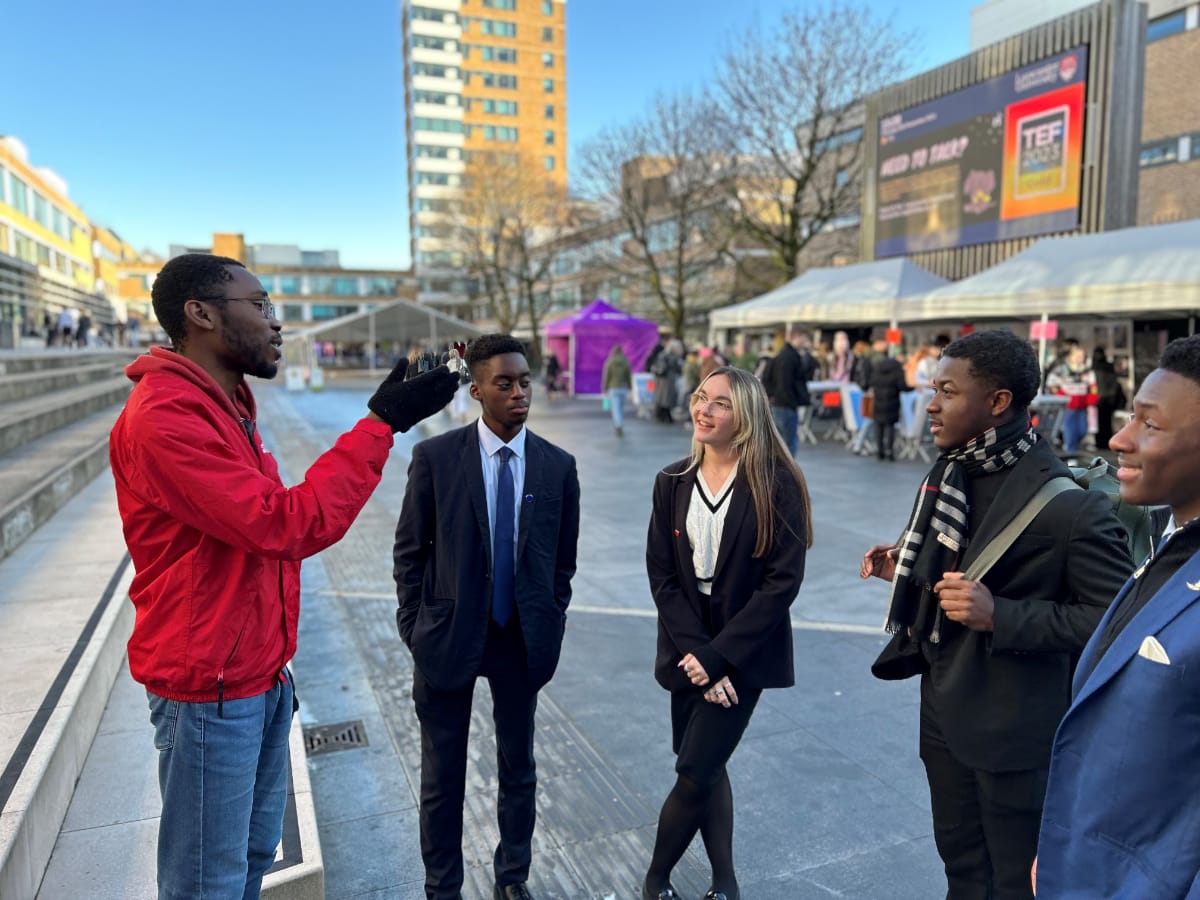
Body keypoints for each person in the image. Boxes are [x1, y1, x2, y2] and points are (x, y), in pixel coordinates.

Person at [109, 253, 457, 900]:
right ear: (202, 314)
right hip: (210, 688)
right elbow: (285, 525)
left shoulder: (225, 404)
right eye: (261, 305)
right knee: (205, 882)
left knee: (246, 862)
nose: (276, 324)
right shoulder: (166, 417)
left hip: (258, 674)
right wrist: (380, 423)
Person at [859, 329, 1132, 900]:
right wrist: (910, 573)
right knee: (960, 867)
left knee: (1015, 881)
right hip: (943, 712)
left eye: (948, 392)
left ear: (998, 402)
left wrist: (1001, 614)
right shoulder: (950, 474)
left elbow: (1115, 623)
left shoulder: (1071, 506)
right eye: (934, 389)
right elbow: (958, 571)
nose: (931, 404)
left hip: (1015, 736)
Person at [393, 334, 580, 900]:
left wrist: (552, 614)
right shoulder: (435, 458)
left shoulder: (557, 466)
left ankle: (512, 878)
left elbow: (562, 559)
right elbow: (410, 551)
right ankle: (442, 886)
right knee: (442, 777)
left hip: (521, 637)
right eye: (504, 383)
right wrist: (413, 625)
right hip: (448, 635)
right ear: (476, 390)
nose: (519, 392)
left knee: (518, 769)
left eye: (525, 382)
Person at [1033, 336, 1200, 899]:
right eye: (1132, 417)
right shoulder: (1165, 538)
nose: (1119, 439)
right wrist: (1062, 846)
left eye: (1150, 426)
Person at [644, 366, 811, 900]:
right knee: (707, 765)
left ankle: (655, 880)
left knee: (695, 769)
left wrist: (720, 658)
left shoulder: (777, 482)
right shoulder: (671, 482)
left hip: (743, 646)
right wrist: (698, 654)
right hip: (686, 643)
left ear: (747, 417)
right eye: (700, 397)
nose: (703, 409)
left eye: (720, 403)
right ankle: (725, 882)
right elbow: (663, 577)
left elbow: (781, 584)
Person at [760, 328, 816, 458]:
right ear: (797, 337)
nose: (805, 342)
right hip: (786, 405)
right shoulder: (789, 357)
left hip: (779, 404)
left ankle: (781, 473)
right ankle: (788, 475)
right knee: (788, 445)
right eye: (804, 338)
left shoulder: (782, 355)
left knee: (779, 445)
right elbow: (785, 383)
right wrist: (791, 401)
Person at [1046, 343, 1097, 455]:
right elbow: (1051, 384)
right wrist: (1061, 394)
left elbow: (1093, 385)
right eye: (1078, 356)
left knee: (1083, 430)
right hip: (1068, 406)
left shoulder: (1087, 371)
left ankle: (1072, 446)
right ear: (1071, 357)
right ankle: (1070, 452)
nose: (1080, 358)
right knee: (1069, 430)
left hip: (1082, 405)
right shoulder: (1061, 370)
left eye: (1082, 356)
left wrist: (1093, 395)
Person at [868, 344, 907, 461]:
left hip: (878, 401)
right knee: (890, 426)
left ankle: (880, 451)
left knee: (879, 425)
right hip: (892, 402)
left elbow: (872, 382)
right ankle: (889, 451)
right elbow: (902, 386)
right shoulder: (897, 367)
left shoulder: (878, 366)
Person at [1090, 347, 1125, 450]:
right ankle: (1106, 442)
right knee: (1107, 422)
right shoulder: (1109, 367)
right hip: (1109, 398)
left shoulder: (1094, 367)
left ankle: (1100, 443)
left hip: (1098, 398)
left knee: (1098, 422)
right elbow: (1114, 383)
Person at [602, 343, 633, 436]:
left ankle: (618, 426)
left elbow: (607, 376)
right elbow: (628, 376)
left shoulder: (610, 362)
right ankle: (620, 424)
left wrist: (605, 387)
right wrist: (630, 386)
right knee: (621, 408)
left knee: (616, 409)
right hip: (623, 388)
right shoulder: (626, 361)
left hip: (613, 388)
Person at [652, 339, 684, 424]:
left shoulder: (666, 355)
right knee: (665, 398)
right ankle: (665, 415)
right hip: (665, 380)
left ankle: (663, 414)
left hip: (667, 380)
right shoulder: (667, 355)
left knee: (664, 398)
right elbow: (663, 367)